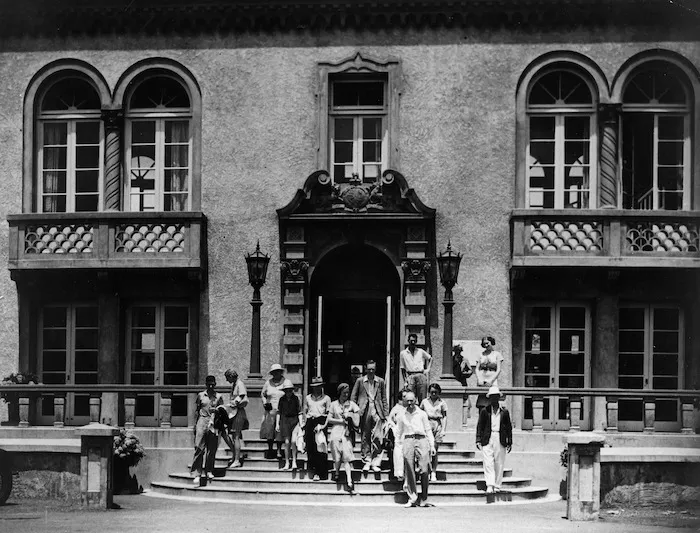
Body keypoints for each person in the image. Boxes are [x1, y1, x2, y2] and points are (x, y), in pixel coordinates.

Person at [396, 391, 435, 507]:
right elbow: (399, 431)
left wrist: (432, 445)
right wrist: (398, 446)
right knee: (409, 470)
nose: (409, 403)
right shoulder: (401, 415)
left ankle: (424, 497)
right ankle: (412, 497)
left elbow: (428, 429)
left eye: (411, 401)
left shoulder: (422, 414)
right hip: (408, 440)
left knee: (424, 469)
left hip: (422, 439)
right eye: (407, 401)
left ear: (416, 400)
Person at [351, 359, 389, 473]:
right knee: (365, 437)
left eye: (373, 369)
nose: (371, 371)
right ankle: (367, 461)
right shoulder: (360, 381)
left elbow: (383, 398)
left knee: (378, 437)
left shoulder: (380, 381)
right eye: (369, 369)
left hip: (377, 411)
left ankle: (375, 462)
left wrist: (386, 414)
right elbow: (353, 397)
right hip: (365, 410)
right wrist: (354, 412)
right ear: (366, 369)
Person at [323, 382, 360, 493]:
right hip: (335, 432)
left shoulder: (352, 405)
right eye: (344, 393)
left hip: (346, 433)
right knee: (337, 458)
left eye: (347, 393)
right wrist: (341, 420)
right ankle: (337, 472)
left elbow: (357, 420)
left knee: (347, 458)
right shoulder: (334, 404)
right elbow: (329, 419)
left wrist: (351, 416)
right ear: (339, 393)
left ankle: (349, 481)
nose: (346, 395)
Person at [476, 385, 513, 497]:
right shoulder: (485, 411)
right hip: (488, 437)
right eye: (492, 397)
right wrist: (478, 439)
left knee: (499, 462)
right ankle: (490, 485)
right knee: (488, 462)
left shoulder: (504, 412)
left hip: (500, 437)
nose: (494, 399)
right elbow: (480, 426)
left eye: (496, 397)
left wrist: (509, 441)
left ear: (499, 398)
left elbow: (508, 427)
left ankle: (497, 485)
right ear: (489, 398)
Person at [190, 375, 223, 486]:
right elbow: (196, 410)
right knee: (199, 447)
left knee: (211, 449)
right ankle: (197, 473)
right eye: (208, 384)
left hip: (213, 423)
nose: (210, 386)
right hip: (202, 421)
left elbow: (222, 411)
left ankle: (209, 470)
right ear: (206, 384)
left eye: (212, 384)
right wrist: (195, 425)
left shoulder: (218, 397)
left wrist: (217, 412)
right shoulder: (200, 395)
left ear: (215, 384)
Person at [260, 363, 291, 459]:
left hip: (282, 410)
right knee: (269, 430)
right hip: (270, 410)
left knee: (279, 430)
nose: (276, 374)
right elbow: (263, 394)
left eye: (278, 372)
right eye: (274, 372)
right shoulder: (268, 383)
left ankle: (279, 450)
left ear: (281, 372)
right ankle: (270, 449)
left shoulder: (286, 382)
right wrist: (265, 402)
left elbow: (290, 394)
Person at [304, 376, 331, 481]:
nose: (317, 388)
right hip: (310, 422)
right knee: (310, 447)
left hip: (321, 422)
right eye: (315, 386)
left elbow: (328, 414)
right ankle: (312, 469)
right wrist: (305, 424)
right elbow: (305, 411)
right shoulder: (307, 398)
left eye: (319, 386)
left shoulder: (326, 398)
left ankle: (320, 472)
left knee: (320, 448)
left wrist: (324, 426)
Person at [420, 383, 447, 482]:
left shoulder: (442, 403)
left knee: (435, 450)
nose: (434, 394)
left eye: (436, 392)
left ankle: (434, 472)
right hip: (427, 424)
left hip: (437, 425)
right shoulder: (424, 402)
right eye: (432, 392)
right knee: (426, 449)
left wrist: (443, 429)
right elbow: (420, 414)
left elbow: (444, 417)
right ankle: (426, 470)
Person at [221, 368, 248, 468]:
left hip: (238, 412)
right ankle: (235, 455)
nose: (227, 380)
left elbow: (241, 396)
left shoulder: (239, 384)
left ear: (231, 376)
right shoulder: (235, 384)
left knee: (236, 436)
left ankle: (237, 460)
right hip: (233, 412)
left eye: (228, 378)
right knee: (232, 435)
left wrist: (234, 402)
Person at [276, 382, 303, 470]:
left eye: (290, 391)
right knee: (287, 442)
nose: (289, 392)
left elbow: (299, 412)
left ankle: (294, 461)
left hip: (294, 420)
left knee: (294, 441)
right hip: (285, 421)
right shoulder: (282, 400)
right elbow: (279, 412)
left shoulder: (296, 399)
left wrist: (301, 423)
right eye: (287, 391)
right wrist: (277, 424)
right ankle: (287, 462)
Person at [399, 333, 432, 403]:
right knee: (410, 398)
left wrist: (428, 369)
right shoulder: (403, 353)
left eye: (414, 341)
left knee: (422, 399)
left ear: (416, 341)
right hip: (410, 376)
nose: (413, 342)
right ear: (408, 341)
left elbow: (430, 358)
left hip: (421, 375)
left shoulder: (420, 351)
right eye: (411, 341)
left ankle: (421, 413)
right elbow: (402, 368)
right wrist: (405, 380)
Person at [475, 336, 503, 414]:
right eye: (484, 344)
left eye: (487, 343)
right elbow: (477, 368)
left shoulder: (497, 354)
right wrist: (479, 379)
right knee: (482, 402)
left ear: (491, 342)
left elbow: (498, 369)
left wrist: (491, 380)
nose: (486, 345)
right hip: (482, 380)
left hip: (492, 381)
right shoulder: (481, 355)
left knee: (492, 399)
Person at [386, 388, 409, 480]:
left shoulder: (411, 408)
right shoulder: (396, 409)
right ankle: (399, 473)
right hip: (399, 435)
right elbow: (390, 420)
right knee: (398, 454)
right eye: (404, 396)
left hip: (408, 434)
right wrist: (394, 428)